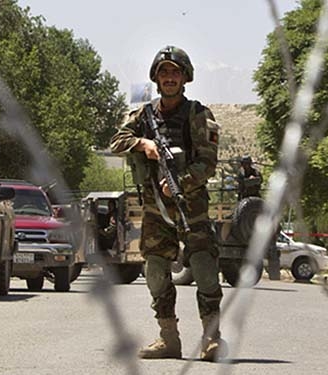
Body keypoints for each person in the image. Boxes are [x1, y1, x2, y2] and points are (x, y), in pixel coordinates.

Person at [109, 45, 225, 361]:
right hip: (155, 209)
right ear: (156, 78)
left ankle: (212, 339)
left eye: (175, 72)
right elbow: (117, 141)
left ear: (185, 77)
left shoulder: (198, 115)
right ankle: (168, 339)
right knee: (156, 269)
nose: (169, 78)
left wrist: (182, 183)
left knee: (203, 266)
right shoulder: (142, 116)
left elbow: (208, 162)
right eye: (164, 73)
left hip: (192, 205)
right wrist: (142, 143)